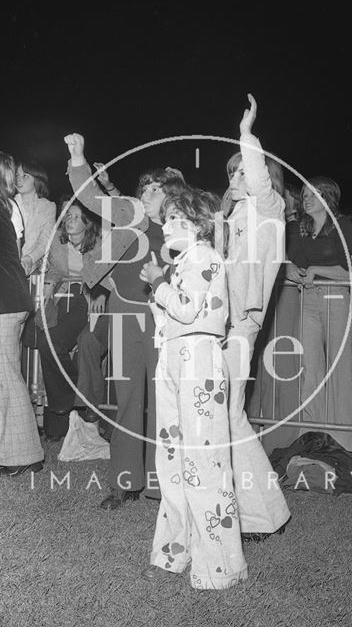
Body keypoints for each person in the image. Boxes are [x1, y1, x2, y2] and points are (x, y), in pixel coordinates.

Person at [64, 132, 186, 508]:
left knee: (164, 403)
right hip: (124, 316)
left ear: (171, 195)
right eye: (144, 189)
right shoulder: (130, 213)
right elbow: (89, 198)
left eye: (153, 190)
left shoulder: (184, 224)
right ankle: (125, 481)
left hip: (165, 320)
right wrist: (78, 160)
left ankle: (160, 484)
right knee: (128, 398)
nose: (145, 196)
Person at [140, 186, 247, 590]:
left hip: (198, 362)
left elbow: (184, 308)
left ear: (198, 225)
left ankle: (219, 567)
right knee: (171, 459)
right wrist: (160, 286)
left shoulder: (205, 257)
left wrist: (157, 283)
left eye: (173, 220)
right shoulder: (186, 260)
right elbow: (169, 317)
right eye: (164, 219)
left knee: (202, 464)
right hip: (173, 359)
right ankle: (174, 552)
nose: (164, 226)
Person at [221, 93, 291, 541]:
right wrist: (222, 211)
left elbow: (261, 181)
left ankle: (266, 515)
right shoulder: (235, 215)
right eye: (230, 173)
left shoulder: (270, 210)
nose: (236, 177)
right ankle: (256, 511)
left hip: (240, 325)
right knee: (226, 413)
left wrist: (248, 136)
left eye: (242, 169)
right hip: (217, 323)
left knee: (229, 414)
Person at [287, 176, 352, 452]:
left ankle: (344, 446)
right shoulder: (303, 230)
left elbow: (350, 272)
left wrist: (317, 270)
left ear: (327, 198)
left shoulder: (342, 226)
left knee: (340, 371)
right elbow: (294, 263)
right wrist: (291, 269)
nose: (305, 198)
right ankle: (313, 440)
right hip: (309, 301)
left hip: (336, 298)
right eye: (304, 194)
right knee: (311, 371)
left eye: (312, 194)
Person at [23, 200, 103, 441]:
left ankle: (63, 400)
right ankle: (71, 392)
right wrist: (50, 282)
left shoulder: (98, 245)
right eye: (67, 216)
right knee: (46, 342)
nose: (69, 220)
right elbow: (56, 270)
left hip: (84, 298)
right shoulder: (58, 242)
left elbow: (106, 273)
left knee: (53, 342)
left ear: (87, 224)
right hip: (61, 298)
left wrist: (99, 292)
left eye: (75, 217)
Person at [247, 182, 302, 455]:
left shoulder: (294, 228)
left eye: (291, 197)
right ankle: (259, 436)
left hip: (284, 301)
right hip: (264, 301)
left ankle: (282, 439)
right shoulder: (259, 223)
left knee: (282, 366)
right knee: (261, 368)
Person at [0, 150, 44, 475]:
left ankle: (25, 454)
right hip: (13, 298)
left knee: (7, 376)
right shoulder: (10, 207)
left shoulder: (7, 207)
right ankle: (15, 453)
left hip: (6, 300)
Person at [15, 158, 56, 276]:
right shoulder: (8, 204)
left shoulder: (48, 207)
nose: (18, 178)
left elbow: (45, 241)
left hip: (31, 270)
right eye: (17, 174)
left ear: (37, 180)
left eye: (25, 176)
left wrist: (29, 259)